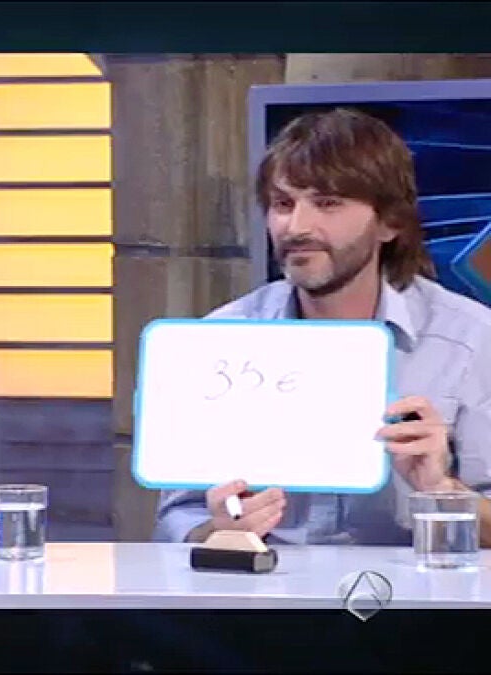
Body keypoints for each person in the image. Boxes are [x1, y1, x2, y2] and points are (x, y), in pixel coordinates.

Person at [154, 108, 491, 547]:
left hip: (411, 588)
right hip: (266, 587)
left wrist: (442, 491)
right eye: (283, 204)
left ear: (389, 222)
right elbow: (177, 518)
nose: (296, 227)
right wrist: (220, 531)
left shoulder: (471, 340)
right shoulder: (220, 338)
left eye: (328, 203)